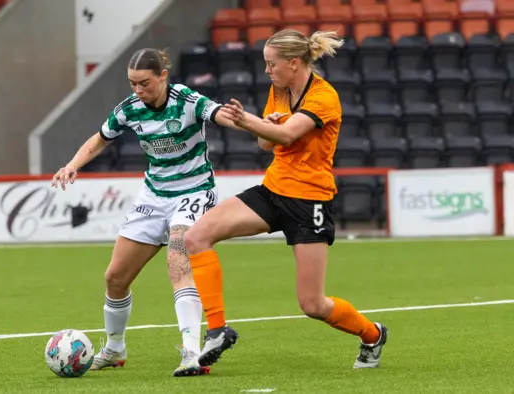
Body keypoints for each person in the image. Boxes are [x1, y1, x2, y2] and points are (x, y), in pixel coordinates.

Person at [183, 29, 389, 369]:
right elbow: (267, 143)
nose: (267, 71)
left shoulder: (324, 96)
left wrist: (249, 120)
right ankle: (217, 330)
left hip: (309, 201)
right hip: (274, 190)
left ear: (293, 63)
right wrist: (266, 123)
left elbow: (288, 134)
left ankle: (372, 335)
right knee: (196, 237)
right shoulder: (278, 90)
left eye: (271, 64)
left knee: (312, 305)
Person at [50, 48, 243, 377]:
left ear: (163, 76)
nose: (138, 90)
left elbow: (217, 115)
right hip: (153, 196)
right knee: (115, 277)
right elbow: (100, 139)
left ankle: (192, 352)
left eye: (144, 83)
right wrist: (72, 165)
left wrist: (242, 120)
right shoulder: (130, 109)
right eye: (132, 84)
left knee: (178, 263)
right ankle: (114, 348)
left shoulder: (186, 100)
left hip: (193, 192)